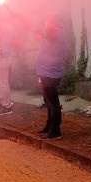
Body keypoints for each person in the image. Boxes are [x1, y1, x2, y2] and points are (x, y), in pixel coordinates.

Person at [35, 12, 67, 140]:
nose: (46, 22)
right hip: (46, 72)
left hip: (51, 74)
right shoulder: (54, 34)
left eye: (48, 20)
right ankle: (49, 126)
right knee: (48, 102)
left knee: (53, 103)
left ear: (54, 22)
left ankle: (55, 131)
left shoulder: (57, 33)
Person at [0, 23, 21, 114]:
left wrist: (1, 48)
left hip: (3, 60)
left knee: (3, 84)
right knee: (2, 83)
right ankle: (6, 104)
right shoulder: (8, 30)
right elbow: (16, 43)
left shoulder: (3, 32)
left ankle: (7, 107)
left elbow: (17, 43)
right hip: (3, 59)